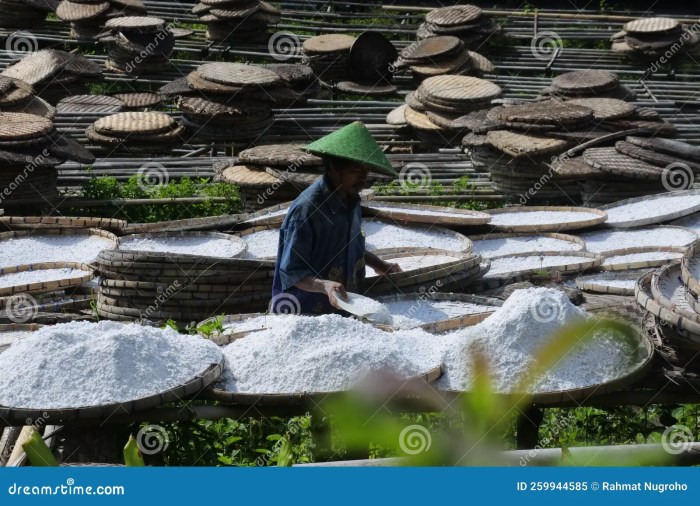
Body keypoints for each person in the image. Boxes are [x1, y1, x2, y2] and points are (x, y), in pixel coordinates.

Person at [271, 121, 401, 315]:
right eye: (356, 171)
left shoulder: (351, 200)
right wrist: (324, 286)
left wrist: (380, 265)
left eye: (366, 171)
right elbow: (291, 271)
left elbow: (352, 247)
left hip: (346, 308)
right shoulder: (307, 210)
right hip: (304, 311)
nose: (363, 178)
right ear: (334, 168)